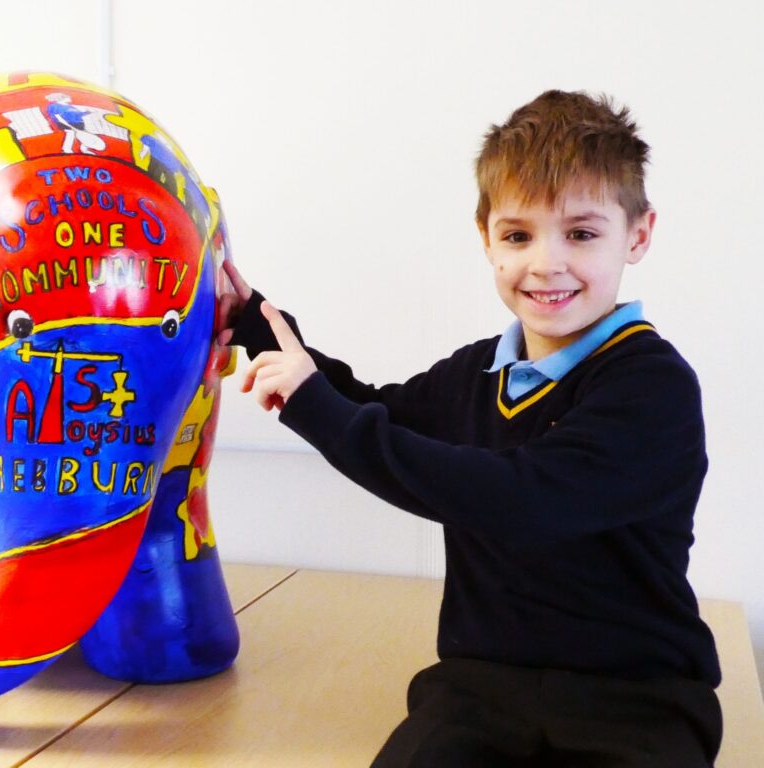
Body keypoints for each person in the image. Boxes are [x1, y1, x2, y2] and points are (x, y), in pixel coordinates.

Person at [217, 90, 722, 767]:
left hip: (638, 700)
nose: (546, 263)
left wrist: (316, 407)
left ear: (638, 233)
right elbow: (374, 409)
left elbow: (520, 498)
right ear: (485, 236)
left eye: (580, 232)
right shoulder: (476, 372)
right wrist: (255, 323)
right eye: (518, 235)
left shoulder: (651, 387)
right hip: (481, 689)